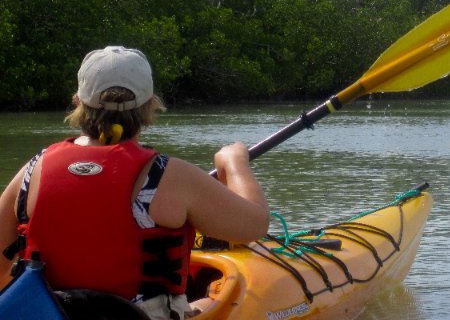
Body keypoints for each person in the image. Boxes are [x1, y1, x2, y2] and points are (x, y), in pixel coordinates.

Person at [0, 46, 270, 319]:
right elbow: (255, 225)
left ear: (78, 100)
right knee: (210, 302)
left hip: (48, 313)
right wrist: (234, 163)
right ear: (149, 104)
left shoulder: (33, 170)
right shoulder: (170, 176)